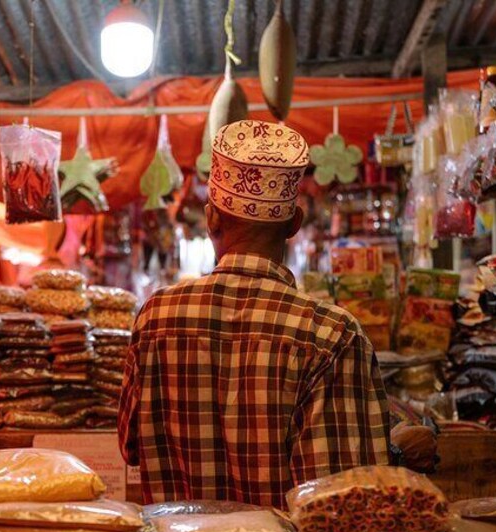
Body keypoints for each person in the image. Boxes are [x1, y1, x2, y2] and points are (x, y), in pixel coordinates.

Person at [118, 120, 390, 509]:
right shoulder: (332, 334)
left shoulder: (155, 318)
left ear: (212, 219)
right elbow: (341, 497)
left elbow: (130, 447)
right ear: (294, 224)